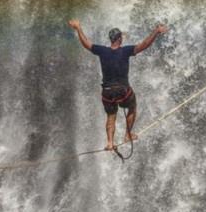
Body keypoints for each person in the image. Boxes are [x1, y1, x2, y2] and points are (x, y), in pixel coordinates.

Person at [67, 20, 169, 151]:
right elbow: (144, 45)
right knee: (132, 107)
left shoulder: (102, 51)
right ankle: (127, 135)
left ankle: (110, 142)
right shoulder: (126, 51)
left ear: (111, 40)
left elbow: (86, 44)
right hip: (123, 90)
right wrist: (156, 32)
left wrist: (78, 28)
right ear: (119, 39)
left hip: (107, 92)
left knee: (111, 115)